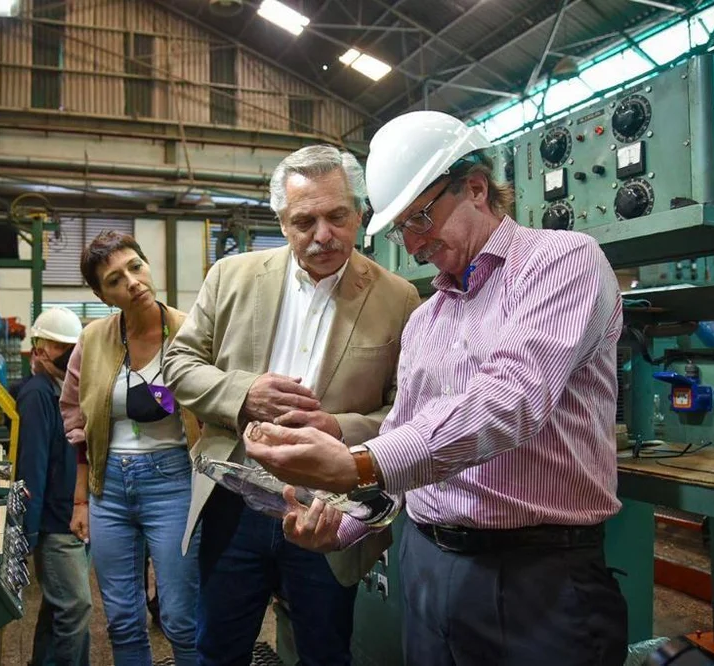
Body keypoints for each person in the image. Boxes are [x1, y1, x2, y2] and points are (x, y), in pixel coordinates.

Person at [243, 111, 629, 666]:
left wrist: (356, 464)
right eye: (402, 227)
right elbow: (405, 436)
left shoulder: (561, 262)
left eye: (421, 218)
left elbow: (508, 402)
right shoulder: (428, 319)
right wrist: (344, 525)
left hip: (533, 572)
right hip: (424, 564)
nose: (415, 242)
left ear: (475, 187)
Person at [163, 145, 420, 666]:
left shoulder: (400, 299)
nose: (323, 235)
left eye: (337, 217)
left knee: (325, 649)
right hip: (233, 498)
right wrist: (243, 394)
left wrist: (338, 426)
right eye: (305, 221)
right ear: (282, 222)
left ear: (360, 216)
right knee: (219, 647)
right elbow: (178, 366)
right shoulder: (230, 278)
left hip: (330, 511)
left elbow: (407, 413)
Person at [60, 231, 201, 666]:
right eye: (115, 279)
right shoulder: (93, 340)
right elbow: (77, 419)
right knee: (122, 618)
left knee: (180, 618)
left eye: (135, 267)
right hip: (109, 488)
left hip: (174, 483)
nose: (132, 282)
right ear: (104, 295)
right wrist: (82, 498)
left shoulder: (191, 331)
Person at [16, 306, 92, 666]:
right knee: (76, 608)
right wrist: (28, 533)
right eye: (60, 347)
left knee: (56, 608)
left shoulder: (66, 390)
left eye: (72, 347)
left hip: (73, 515)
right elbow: (33, 465)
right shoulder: (37, 395)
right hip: (54, 523)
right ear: (40, 348)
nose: (68, 355)